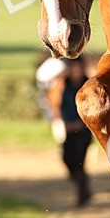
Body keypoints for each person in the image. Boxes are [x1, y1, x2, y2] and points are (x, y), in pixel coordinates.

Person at [36, 56, 93, 206]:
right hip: (69, 129)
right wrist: (66, 122)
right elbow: (59, 105)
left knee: (79, 160)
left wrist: (81, 123)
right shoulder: (63, 86)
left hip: (83, 130)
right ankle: (82, 185)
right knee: (67, 158)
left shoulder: (88, 86)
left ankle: (83, 192)